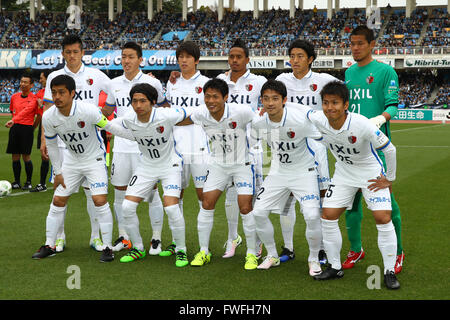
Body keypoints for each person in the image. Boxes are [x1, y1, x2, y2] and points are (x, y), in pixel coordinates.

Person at [307, 81, 400, 290]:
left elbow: (390, 149)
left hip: (370, 173)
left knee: (383, 218)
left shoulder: (361, 123)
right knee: (328, 216)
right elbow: (301, 111)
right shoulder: (319, 119)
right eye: (326, 103)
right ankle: (334, 266)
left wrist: (389, 178)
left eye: (335, 103)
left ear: (346, 104)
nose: (330, 107)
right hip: (344, 173)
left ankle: (389, 271)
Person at [31, 75, 129, 262]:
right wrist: (58, 172)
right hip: (71, 161)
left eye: (61, 92)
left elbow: (108, 126)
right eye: (54, 93)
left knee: (99, 200)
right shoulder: (49, 117)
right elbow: (52, 146)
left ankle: (107, 247)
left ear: (72, 93)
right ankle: (49, 244)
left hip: (94, 160)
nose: (57, 97)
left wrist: (134, 137)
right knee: (58, 200)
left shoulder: (88, 111)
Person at [41, 34, 115, 253]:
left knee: (92, 192)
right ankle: (59, 238)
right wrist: (45, 139)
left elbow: (112, 96)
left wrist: (103, 119)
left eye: (75, 52)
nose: (71, 56)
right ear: (62, 53)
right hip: (63, 142)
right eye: (67, 52)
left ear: (83, 53)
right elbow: (48, 109)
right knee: (59, 190)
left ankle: (96, 238)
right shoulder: (55, 76)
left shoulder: (96, 75)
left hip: (89, 141)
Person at [177, 78, 259, 270]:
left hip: (242, 164)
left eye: (215, 96)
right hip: (217, 165)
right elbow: (185, 119)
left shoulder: (241, 111)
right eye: (207, 96)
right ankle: (204, 251)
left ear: (225, 97)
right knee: (207, 203)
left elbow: (260, 121)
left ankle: (251, 253)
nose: (211, 101)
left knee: (245, 206)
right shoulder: (201, 114)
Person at [107, 83, 189, 268]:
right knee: (127, 207)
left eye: (143, 101)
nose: (138, 105)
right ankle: (138, 248)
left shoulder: (165, 114)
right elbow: (114, 127)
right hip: (146, 166)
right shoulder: (128, 118)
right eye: (134, 101)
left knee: (172, 208)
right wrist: (98, 120)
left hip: (170, 165)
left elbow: (192, 114)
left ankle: (181, 250)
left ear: (153, 102)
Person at [344, 25, 404, 273]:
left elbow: (393, 105)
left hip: (376, 149)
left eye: (360, 43)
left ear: (371, 45)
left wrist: (380, 119)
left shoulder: (386, 71)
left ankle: (398, 252)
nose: (355, 48)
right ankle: (356, 249)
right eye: (352, 43)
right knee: (350, 202)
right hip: (350, 148)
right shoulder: (348, 73)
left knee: (386, 203)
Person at [275, 39, 339, 263]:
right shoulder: (281, 80)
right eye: (292, 56)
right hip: (288, 148)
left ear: (311, 59)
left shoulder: (323, 80)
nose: (295, 60)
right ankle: (288, 248)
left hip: (316, 147)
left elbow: (346, 91)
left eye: (300, 56)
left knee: (320, 200)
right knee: (286, 200)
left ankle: (321, 249)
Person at [251, 80, 323, 276]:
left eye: (275, 99)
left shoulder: (299, 121)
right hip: (278, 173)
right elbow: (249, 141)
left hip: (303, 172)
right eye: (266, 99)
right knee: (258, 212)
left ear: (284, 100)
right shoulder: (259, 123)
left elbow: (324, 137)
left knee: (311, 215)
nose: (270, 103)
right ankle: (272, 254)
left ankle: (314, 259)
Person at [105, 41, 167, 255]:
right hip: (121, 146)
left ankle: (156, 238)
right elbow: (108, 111)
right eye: (123, 56)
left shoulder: (153, 83)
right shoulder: (114, 84)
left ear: (141, 59)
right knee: (119, 193)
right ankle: (125, 237)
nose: (126, 61)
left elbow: (164, 110)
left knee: (151, 193)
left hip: (145, 148)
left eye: (131, 57)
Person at [216, 39, 267, 259]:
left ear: (247, 59)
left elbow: (266, 107)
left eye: (239, 57)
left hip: (252, 148)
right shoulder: (219, 81)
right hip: (225, 147)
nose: (234, 61)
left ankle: (255, 243)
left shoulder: (259, 81)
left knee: (252, 199)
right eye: (231, 57)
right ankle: (232, 238)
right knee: (230, 197)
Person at [163, 41, 210, 257]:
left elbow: (200, 116)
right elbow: (167, 109)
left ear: (196, 60)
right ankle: (176, 241)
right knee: (176, 196)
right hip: (176, 149)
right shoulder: (172, 83)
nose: (183, 60)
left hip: (200, 148)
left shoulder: (208, 83)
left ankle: (204, 246)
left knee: (203, 197)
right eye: (180, 56)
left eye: (188, 57)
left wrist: (179, 119)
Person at [5, 71, 41, 191]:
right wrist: (14, 121)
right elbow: (12, 110)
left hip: (26, 128)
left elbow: (38, 115)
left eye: (26, 82)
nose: (23, 84)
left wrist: (33, 127)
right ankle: (16, 182)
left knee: (26, 156)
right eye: (21, 82)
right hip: (15, 128)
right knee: (15, 156)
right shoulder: (14, 96)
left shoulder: (34, 99)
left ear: (31, 85)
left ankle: (28, 182)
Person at [31, 69, 52, 192]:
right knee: (44, 154)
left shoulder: (58, 90)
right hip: (44, 126)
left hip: (58, 124)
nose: (40, 80)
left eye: (41, 78)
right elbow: (38, 110)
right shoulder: (40, 93)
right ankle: (42, 183)